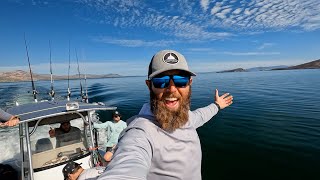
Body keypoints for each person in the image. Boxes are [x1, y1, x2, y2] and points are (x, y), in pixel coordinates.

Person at [98, 50, 233, 180]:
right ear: (149, 85)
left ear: (189, 83)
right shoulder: (140, 132)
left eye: (181, 81)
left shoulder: (186, 118)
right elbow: (127, 166)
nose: (172, 89)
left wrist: (217, 105)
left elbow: (201, 115)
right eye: (161, 81)